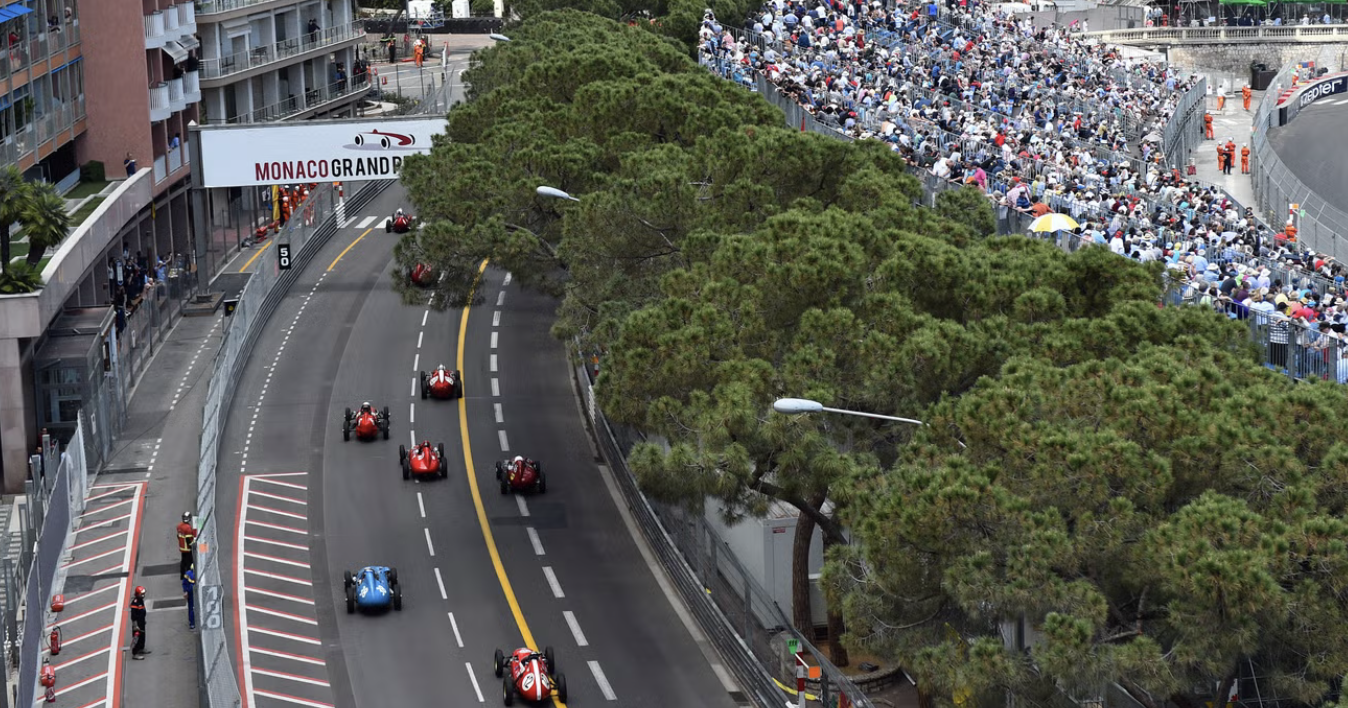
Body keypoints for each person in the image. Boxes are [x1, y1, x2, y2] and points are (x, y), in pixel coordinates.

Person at [130, 586, 149, 658]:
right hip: (137, 623)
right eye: (141, 594)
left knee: (142, 636)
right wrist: (135, 625)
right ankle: (135, 653)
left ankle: (141, 648)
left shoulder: (141, 601)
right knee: (137, 638)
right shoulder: (135, 603)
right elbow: (133, 616)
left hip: (142, 622)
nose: (143, 595)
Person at [176, 512, 196, 578]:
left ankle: (182, 575)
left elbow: (178, 536)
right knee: (189, 563)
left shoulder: (179, 526)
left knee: (183, 562)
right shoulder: (188, 528)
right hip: (187, 548)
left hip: (182, 548)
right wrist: (192, 545)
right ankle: (188, 576)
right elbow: (188, 540)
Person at [182, 565, 197, 630]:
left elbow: (184, 583)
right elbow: (185, 583)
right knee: (192, 608)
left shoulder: (188, 574)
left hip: (191, 592)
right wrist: (186, 591)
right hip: (192, 593)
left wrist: (185, 591)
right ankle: (192, 623)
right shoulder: (190, 574)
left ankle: (192, 623)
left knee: (191, 608)